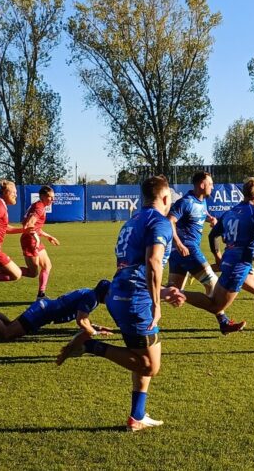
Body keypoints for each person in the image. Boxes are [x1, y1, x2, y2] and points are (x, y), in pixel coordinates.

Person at [56, 175, 179, 432]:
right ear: (165, 198)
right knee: (149, 365)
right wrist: (156, 302)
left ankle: (137, 416)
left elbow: (129, 266)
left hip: (122, 294)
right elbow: (153, 262)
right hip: (136, 300)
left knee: (147, 355)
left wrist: (162, 291)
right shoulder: (160, 222)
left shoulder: (131, 222)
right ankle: (90, 346)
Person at [180, 177, 254, 349]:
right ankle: (178, 293)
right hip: (237, 268)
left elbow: (213, 235)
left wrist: (217, 255)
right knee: (215, 306)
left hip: (239, 264)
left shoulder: (231, 212)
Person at [167, 172, 245, 334]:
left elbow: (200, 212)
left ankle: (138, 293)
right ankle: (223, 322)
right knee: (213, 285)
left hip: (178, 254)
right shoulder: (185, 202)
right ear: (202, 185)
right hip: (188, 250)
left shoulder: (200, 201)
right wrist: (179, 243)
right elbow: (170, 221)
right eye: (210, 183)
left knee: (169, 292)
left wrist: (210, 219)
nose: (213, 186)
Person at [0, 279, 113, 338]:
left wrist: (96, 326)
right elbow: (81, 321)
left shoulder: (89, 292)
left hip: (43, 307)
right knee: (7, 333)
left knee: (9, 324)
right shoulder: (92, 299)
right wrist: (95, 333)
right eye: (110, 294)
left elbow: (83, 318)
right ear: (104, 293)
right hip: (41, 313)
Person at [20, 185, 60, 300]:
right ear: (42, 196)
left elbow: (36, 227)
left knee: (47, 265)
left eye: (53, 197)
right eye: (50, 197)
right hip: (30, 240)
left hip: (32, 238)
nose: (53, 200)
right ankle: (5, 270)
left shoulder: (39, 205)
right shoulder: (39, 207)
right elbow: (29, 225)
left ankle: (41, 295)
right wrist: (36, 238)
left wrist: (48, 236)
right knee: (32, 273)